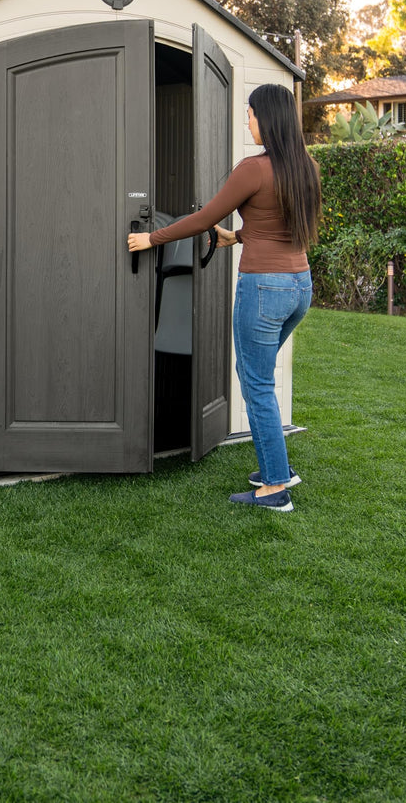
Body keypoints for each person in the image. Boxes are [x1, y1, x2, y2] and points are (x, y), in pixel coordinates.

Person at [127, 83, 321, 512]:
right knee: (260, 377)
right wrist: (238, 236)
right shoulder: (305, 166)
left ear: (266, 118)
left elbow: (203, 218)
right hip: (299, 286)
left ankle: (275, 488)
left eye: (250, 114)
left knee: (256, 383)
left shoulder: (253, 169)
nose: (247, 121)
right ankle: (279, 467)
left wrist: (151, 238)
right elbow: (280, 221)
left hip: (264, 286)